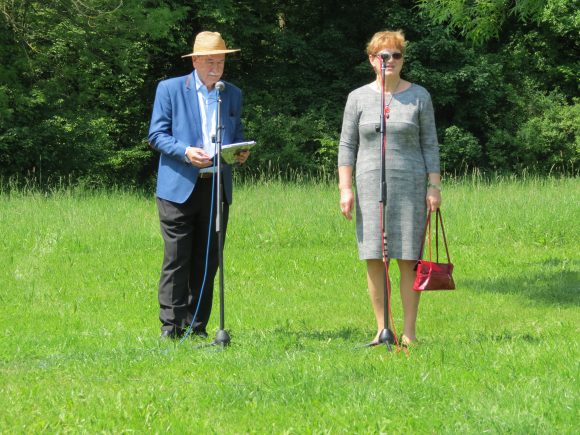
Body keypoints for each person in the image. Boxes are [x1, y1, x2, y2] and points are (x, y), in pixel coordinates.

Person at [337, 30, 441, 347]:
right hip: (370, 187)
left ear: (403, 60)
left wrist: (434, 186)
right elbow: (347, 145)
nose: (390, 60)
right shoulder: (357, 98)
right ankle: (382, 329)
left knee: (408, 258)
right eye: (384, 55)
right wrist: (345, 188)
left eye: (396, 55)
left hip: (411, 186)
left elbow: (430, 144)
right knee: (374, 256)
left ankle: (409, 333)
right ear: (372, 60)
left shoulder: (420, 96)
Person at [148, 31, 249, 339]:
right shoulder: (170, 89)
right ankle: (171, 327)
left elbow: (236, 132)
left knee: (208, 259)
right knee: (177, 258)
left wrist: (240, 151)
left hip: (217, 186)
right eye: (209, 62)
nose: (216, 68)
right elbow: (157, 135)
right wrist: (186, 152)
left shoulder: (231, 93)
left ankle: (197, 326)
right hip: (178, 187)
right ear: (195, 61)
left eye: (220, 62)